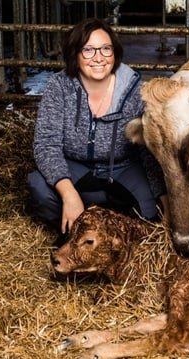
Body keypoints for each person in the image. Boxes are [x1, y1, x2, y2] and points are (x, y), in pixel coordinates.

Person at [28, 18, 167, 237]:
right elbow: (47, 145)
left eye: (105, 49)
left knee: (149, 217)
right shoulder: (60, 86)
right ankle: (80, 224)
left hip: (123, 168)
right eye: (89, 50)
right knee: (40, 187)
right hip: (75, 167)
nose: (99, 57)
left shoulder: (134, 92)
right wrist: (69, 194)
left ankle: (98, 217)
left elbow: (147, 150)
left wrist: (163, 197)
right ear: (75, 54)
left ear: (115, 53)